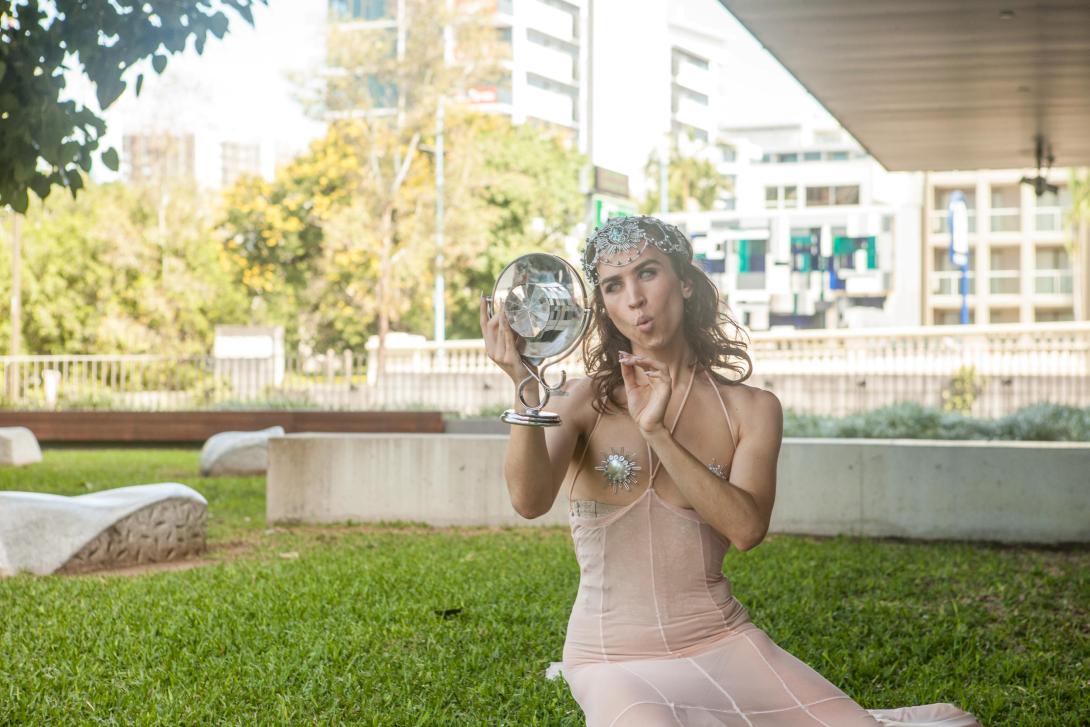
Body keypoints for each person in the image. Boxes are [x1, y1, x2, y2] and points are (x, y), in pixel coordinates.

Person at [480, 216, 982, 727]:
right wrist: (524, 382)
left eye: (647, 273)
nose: (634, 297)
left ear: (686, 282)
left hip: (721, 640)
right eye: (613, 285)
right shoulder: (582, 398)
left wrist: (657, 431)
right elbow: (529, 500)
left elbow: (746, 530)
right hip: (612, 658)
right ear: (605, 306)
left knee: (959, 723)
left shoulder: (751, 409)